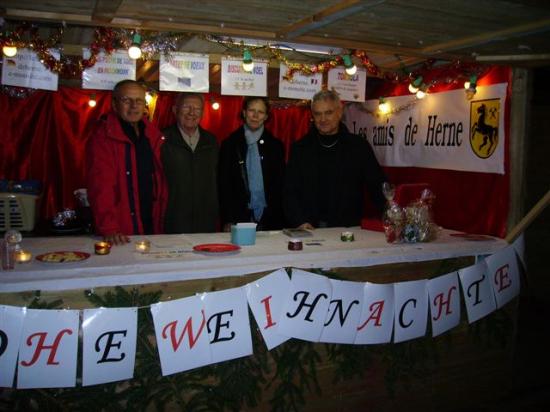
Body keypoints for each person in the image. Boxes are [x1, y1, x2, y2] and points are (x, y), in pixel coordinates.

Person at [284, 89, 386, 229]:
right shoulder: (300, 148)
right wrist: (300, 221)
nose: (323, 119)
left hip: (348, 229)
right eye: (318, 114)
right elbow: (289, 191)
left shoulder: (358, 147)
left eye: (329, 112)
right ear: (312, 116)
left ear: (339, 112)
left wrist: (391, 217)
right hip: (310, 229)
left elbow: (378, 187)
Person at [86, 79, 167, 245]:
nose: (134, 106)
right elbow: (101, 186)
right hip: (121, 229)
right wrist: (109, 228)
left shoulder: (153, 134)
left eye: (138, 101)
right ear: (114, 104)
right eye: (126, 100)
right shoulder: (103, 137)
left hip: (152, 222)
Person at [218, 96, 285, 231]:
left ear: (266, 116)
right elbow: (223, 184)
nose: (255, 115)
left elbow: (280, 185)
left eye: (260, 112)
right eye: (251, 110)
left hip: (271, 219)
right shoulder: (230, 144)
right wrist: (228, 219)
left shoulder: (276, 146)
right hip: (238, 217)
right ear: (244, 113)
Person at [161, 92, 219, 233]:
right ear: (175, 110)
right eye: (186, 107)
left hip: (206, 219)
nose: (192, 113)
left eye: (197, 109)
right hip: (173, 218)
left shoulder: (211, 141)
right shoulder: (162, 139)